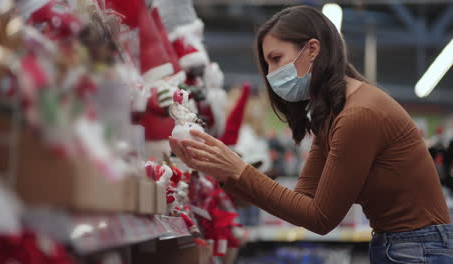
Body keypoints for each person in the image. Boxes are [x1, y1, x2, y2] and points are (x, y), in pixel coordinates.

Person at [169, 6, 453, 263]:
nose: (271, 74)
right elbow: (303, 201)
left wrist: (239, 170)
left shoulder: (358, 116)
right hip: (404, 245)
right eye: (267, 64)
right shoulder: (334, 114)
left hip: (417, 249)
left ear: (313, 49)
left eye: (276, 59)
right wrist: (224, 171)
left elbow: (321, 218)